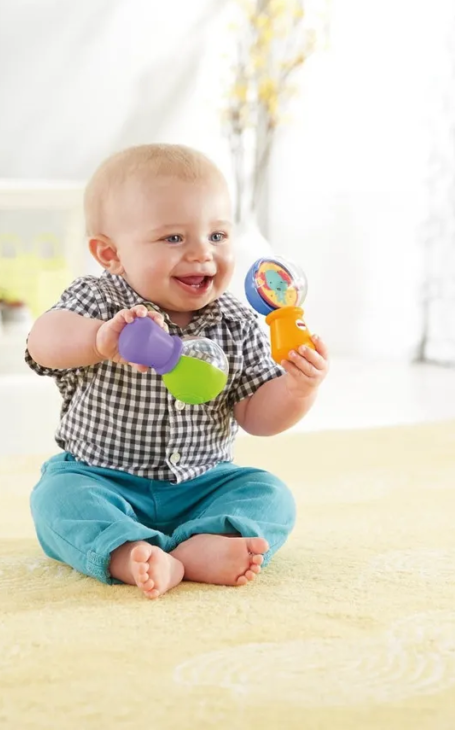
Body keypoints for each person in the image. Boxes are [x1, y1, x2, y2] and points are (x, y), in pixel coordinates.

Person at [26, 144, 330, 599]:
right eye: (173, 238)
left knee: (270, 494)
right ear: (110, 253)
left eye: (217, 235)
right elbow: (43, 341)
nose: (202, 254)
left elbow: (257, 416)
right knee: (57, 499)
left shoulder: (236, 322)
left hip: (202, 486)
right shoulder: (101, 301)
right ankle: (127, 552)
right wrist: (99, 339)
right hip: (102, 478)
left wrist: (299, 389)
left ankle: (201, 544)